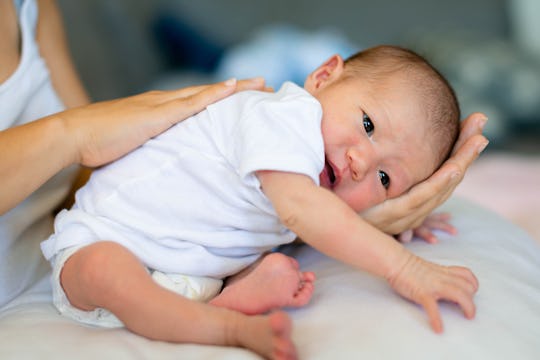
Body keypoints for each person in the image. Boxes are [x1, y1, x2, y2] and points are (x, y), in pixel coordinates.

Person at [1, 1, 486, 359]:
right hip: (104, 240)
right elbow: (303, 211)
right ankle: (224, 328)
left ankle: (230, 295)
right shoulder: (284, 116)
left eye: (385, 176)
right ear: (323, 76)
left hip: (185, 267)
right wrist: (403, 267)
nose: (361, 161)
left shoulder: (35, 12)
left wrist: (396, 219)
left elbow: (312, 214)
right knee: (103, 268)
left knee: (264, 260)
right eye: (367, 125)